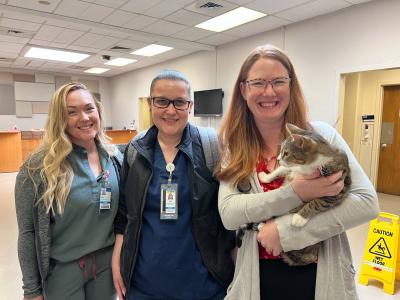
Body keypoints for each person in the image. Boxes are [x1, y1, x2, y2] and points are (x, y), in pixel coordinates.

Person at [216, 45, 379, 300]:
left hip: (321, 274)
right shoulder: (236, 149)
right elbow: (229, 214)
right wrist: (296, 193)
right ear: (243, 90)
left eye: (278, 81)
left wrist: (287, 231)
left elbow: (366, 203)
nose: (269, 91)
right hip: (256, 278)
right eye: (258, 82)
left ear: (291, 86)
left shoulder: (321, 135)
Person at [112, 70, 235, 300]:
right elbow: (125, 213)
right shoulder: (134, 152)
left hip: (204, 286)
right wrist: (117, 260)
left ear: (190, 106)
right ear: (150, 104)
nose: (170, 110)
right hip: (143, 286)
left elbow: (227, 217)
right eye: (161, 101)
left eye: (179, 102)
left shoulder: (211, 148)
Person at [15, 82, 123, 300]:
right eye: (71, 112)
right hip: (63, 271)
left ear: (98, 111)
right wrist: (31, 290)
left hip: (106, 266)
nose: (84, 117)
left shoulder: (115, 158)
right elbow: (28, 233)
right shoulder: (37, 167)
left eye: (89, 108)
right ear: (59, 119)